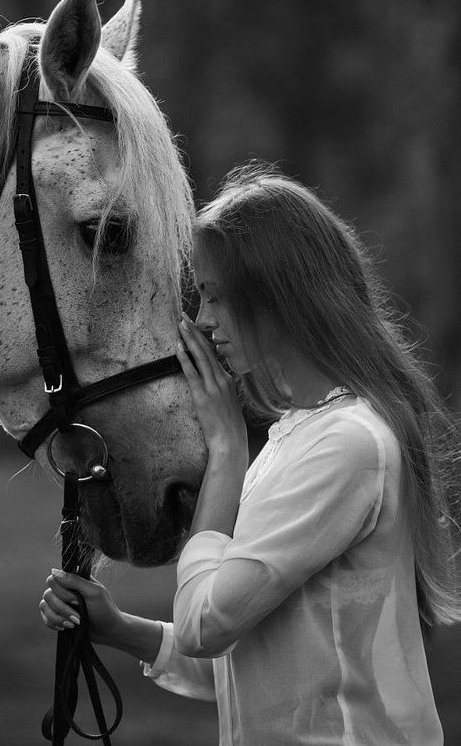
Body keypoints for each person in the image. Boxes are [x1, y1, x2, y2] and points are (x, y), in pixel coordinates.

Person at [39, 162, 460, 745]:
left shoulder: (347, 446)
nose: (202, 321)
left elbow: (204, 626)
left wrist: (226, 449)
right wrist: (118, 628)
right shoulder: (301, 436)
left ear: (278, 297)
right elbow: (247, 658)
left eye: (214, 296)